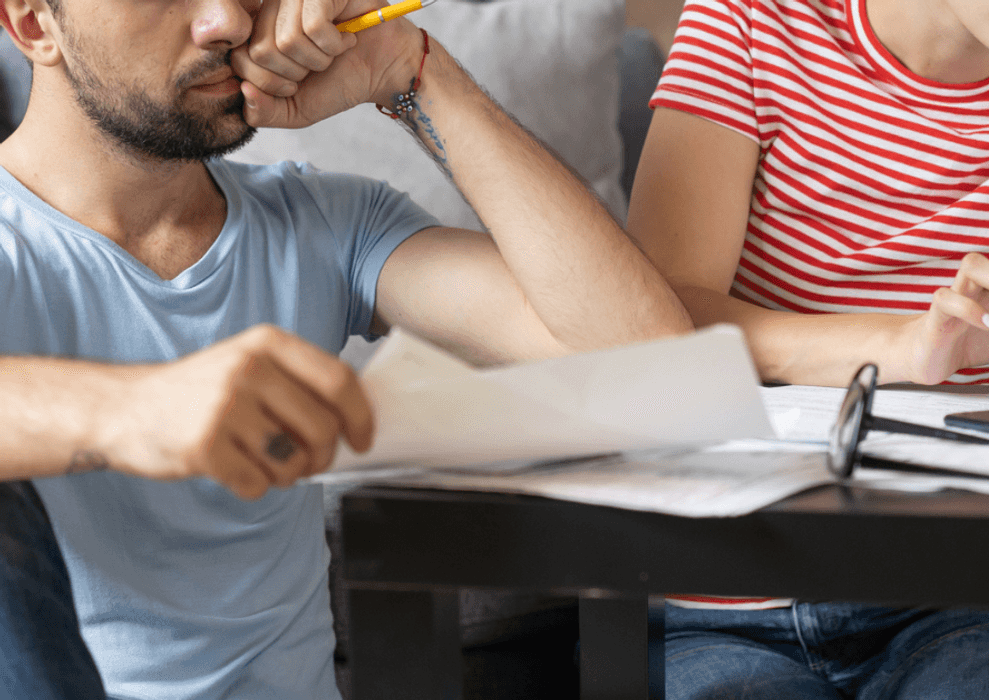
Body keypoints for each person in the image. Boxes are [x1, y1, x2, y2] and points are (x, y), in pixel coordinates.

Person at [0, 0, 693, 692]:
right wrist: (133, 409)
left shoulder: (324, 223)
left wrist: (413, 70)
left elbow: (650, 362)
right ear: (33, 24)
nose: (228, 22)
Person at [626, 0, 989, 699]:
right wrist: (903, 348)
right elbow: (656, 329)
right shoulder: (752, 19)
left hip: (960, 592)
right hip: (719, 591)